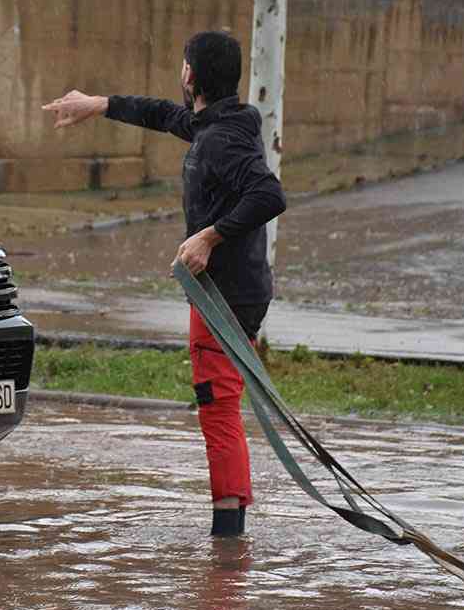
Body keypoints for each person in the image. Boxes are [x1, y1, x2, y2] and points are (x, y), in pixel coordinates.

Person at [42, 31, 286, 537]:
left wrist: (209, 238)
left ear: (190, 76)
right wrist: (100, 104)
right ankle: (230, 523)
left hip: (225, 298)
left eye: (182, 66)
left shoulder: (221, 139)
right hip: (222, 293)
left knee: (216, 403)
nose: (179, 74)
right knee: (219, 402)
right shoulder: (216, 124)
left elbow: (268, 194)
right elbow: (160, 114)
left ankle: (227, 541)